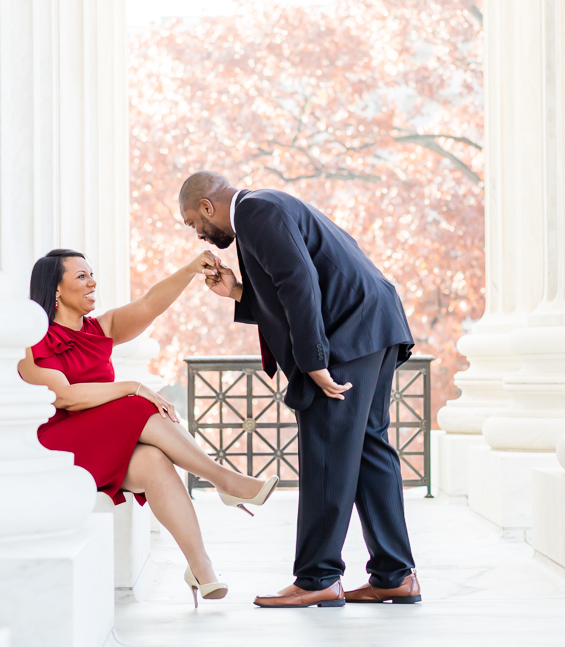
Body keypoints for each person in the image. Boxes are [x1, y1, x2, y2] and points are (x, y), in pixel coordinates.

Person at [178, 171, 421, 608]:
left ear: (208, 206)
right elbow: (290, 285)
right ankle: (395, 575)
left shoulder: (254, 212)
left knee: (326, 447)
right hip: (375, 323)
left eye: (193, 222)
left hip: (350, 332)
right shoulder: (265, 206)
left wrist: (314, 362)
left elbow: (298, 282)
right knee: (368, 446)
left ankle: (318, 578)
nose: (198, 234)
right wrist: (236, 291)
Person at [17, 248, 278, 607]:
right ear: (56, 290)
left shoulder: (100, 329)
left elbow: (151, 302)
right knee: (136, 401)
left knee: (155, 461)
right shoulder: (33, 341)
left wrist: (189, 269)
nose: (93, 282)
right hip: (61, 445)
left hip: (103, 440)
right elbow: (65, 397)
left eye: (92, 273)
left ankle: (201, 567)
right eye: (81, 276)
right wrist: (131, 385)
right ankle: (224, 480)